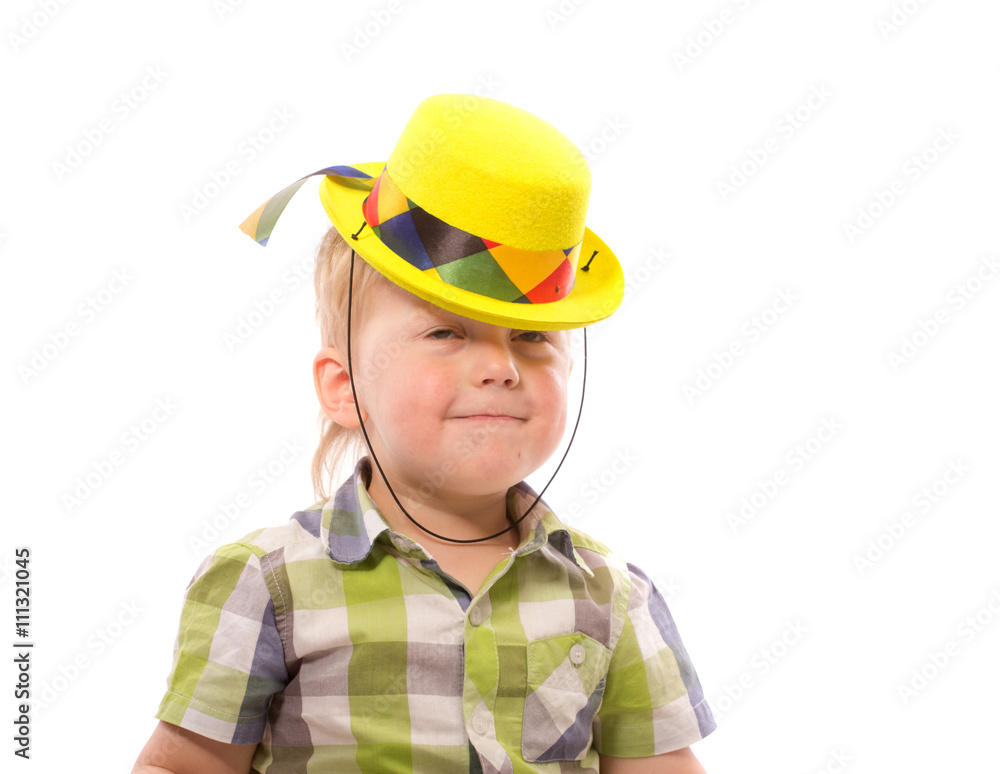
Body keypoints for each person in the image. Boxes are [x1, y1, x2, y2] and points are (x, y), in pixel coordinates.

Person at [132, 93, 716, 774]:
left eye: (531, 337)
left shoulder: (613, 597)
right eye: (445, 332)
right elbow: (183, 766)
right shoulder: (265, 583)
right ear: (344, 386)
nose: (500, 366)